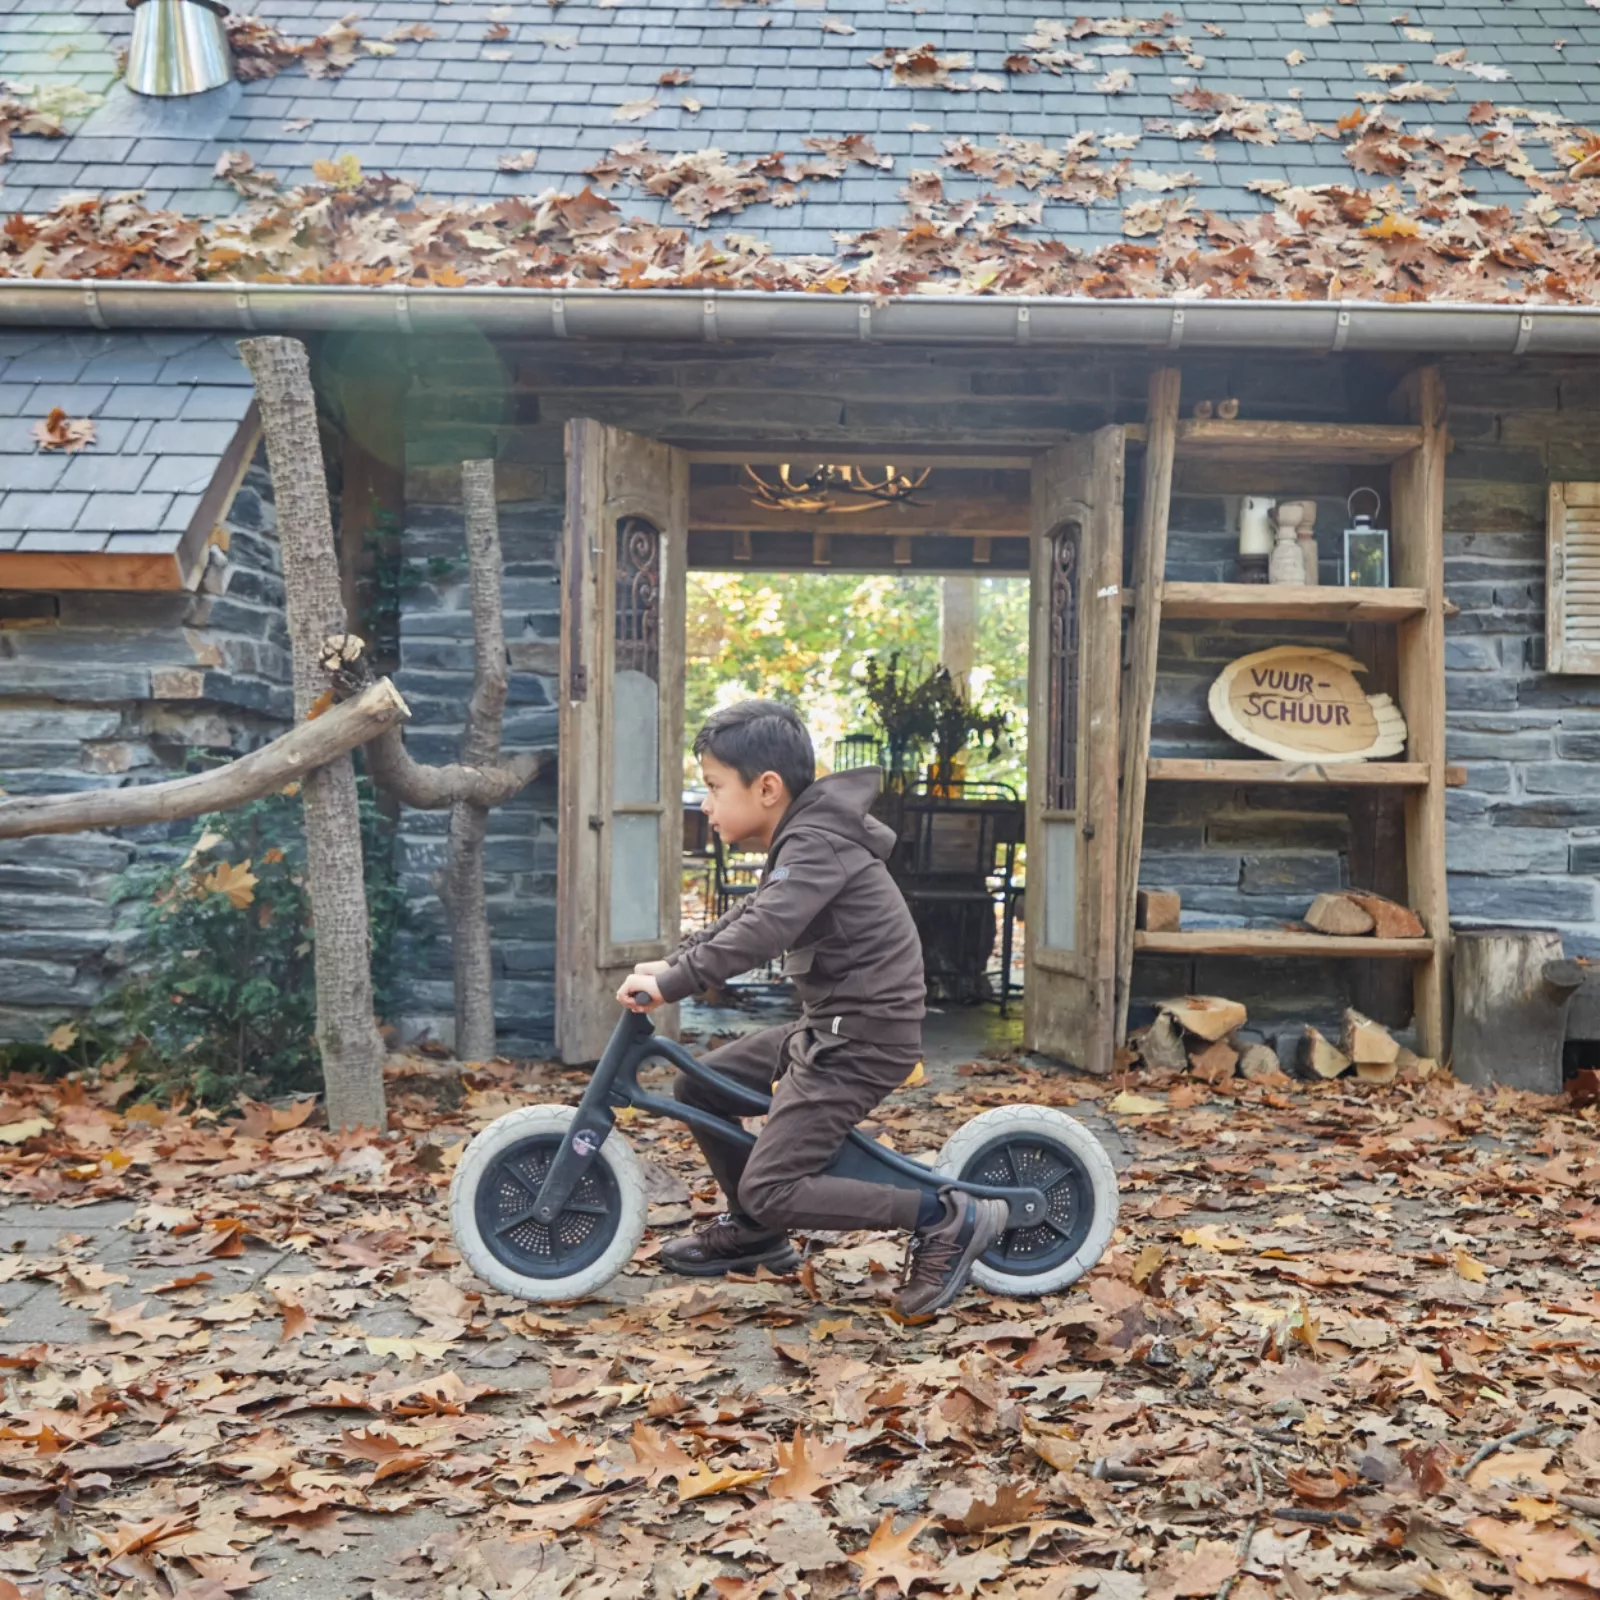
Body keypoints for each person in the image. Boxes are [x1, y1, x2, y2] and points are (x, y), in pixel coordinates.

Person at [616, 699, 1006, 1321]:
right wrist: (676, 961)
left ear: (767, 787)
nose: (706, 805)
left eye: (714, 788)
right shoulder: (805, 839)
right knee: (697, 1084)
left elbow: (766, 930)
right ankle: (754, 1230)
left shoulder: (817, 842)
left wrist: (677, 981)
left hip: (862, 1039)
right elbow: (750, 914)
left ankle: (944, 1216)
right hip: (830, 1026)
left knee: (774, 1187)